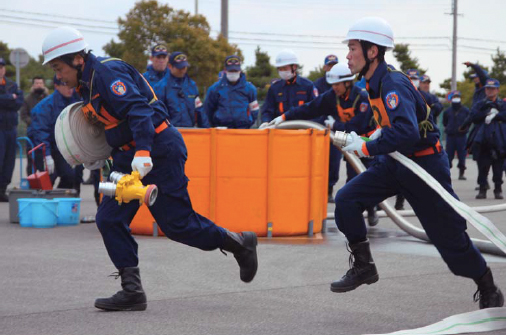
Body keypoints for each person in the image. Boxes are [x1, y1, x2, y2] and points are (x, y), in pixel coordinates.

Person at [42, 26, 258, 311]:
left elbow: (139, 110)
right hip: (126, 156)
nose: (58, 76)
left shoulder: (107, 73)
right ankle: (132, 291)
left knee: (177, 225)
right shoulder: (86, 83)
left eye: (59, 67)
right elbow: (107, 122)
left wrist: (143, 152)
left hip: (158, 148)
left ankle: (239, 243)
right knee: (108, 219)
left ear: (77, 59)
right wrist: (100, 153)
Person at [331, 17, 503, 310]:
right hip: (395, 163)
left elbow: (407, 131)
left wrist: (366, 148)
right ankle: (364, 266)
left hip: (424, 168)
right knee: (346, 200)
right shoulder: (372, 83)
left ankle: (487, 286)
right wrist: (363, 138)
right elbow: (392, 126)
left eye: (353, 48)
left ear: (373, 52)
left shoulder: (392, 82)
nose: (348, 55)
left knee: (451, 244)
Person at [268, 63, 378, 226]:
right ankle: (355, 217)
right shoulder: (331, 97)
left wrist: (335, 126)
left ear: (348, 83)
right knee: (353, 181)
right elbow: (309, 108)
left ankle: (371, 207)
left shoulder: (362, 98)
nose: (334, 88)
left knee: (368, 177)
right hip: (347, 141)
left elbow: (357, 126)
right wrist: (285, 117)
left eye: (337, 84)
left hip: (368, 142)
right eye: (332, 84)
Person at [28, 76, 82, 190]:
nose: (69, 88)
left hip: (62, 148)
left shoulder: (75, 101)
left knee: (69, 176)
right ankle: (42, 203)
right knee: (47, 178)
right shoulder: (45, 106)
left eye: (70, 84)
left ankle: (58, 199)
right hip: (44, 147)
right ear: (56, 86)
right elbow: (40, 132)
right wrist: (46, 155)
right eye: (64, 85)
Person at [467, 79, 505, 199]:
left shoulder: (502, 104)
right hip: (483, 141)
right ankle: (482, 189)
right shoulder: (480, 104)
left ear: (497, 90)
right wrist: (486, 113)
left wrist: (496, 115)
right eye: (488, 88)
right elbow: (473, 116)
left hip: (499, 141)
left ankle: (498, 189)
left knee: (498, 168)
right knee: (483, 167)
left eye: (493, 89)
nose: (490, 91)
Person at [261, 49, 318, 124]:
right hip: (280, 131)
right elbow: (267, 111)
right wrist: (266, 121)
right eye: (280, 69)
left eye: (285, 68)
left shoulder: (308, 86)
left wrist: (309, 126)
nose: (282, 71)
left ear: (294, 67)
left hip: (303, 130)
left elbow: (316, 109)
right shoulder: (275, 88)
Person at [204, 55, 259, 128]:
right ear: (225, 70)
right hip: (221, 130)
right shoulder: (215, 89)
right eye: (231, 71)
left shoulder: (250, 89)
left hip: (243, 130)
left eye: (235, 71)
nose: (233, 73)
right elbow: (207, 110)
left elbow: (254, 110)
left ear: (240, 70)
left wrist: (248, 122)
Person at [0, 57, 24, 202]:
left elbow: (18, 103)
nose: (0, 69)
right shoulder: (12, 90)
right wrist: (10, 98)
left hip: (11, 128)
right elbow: (13, 100)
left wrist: (5, 99)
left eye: (2, 67)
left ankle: (2, 189)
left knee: (9, 160)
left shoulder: (12, 85)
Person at [19, 76, 49, 176]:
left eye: (40, 83)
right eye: (36, 83)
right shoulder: (28, 99)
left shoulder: (48, 98)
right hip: (32, 133)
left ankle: (44, 182)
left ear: (44, 84)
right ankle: (31, 182)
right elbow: (23, 115)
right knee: (31, 159)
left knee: (44, 160)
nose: (38, 85)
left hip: (46, 133)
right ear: (33, 85)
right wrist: (33, 123)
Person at [442, 90, 470, 180]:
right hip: (450, 136)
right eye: (454, 97)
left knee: (462, 155)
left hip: (462, 136)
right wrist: (449, 128)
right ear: (451, 99)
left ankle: (461, 173)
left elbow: (469, 121)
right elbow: (444, 122)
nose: (456, 98)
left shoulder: (465, 110)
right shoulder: (447, 111)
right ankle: (447, 173)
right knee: (448, 155)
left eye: (457, 97)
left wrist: (464, 129)